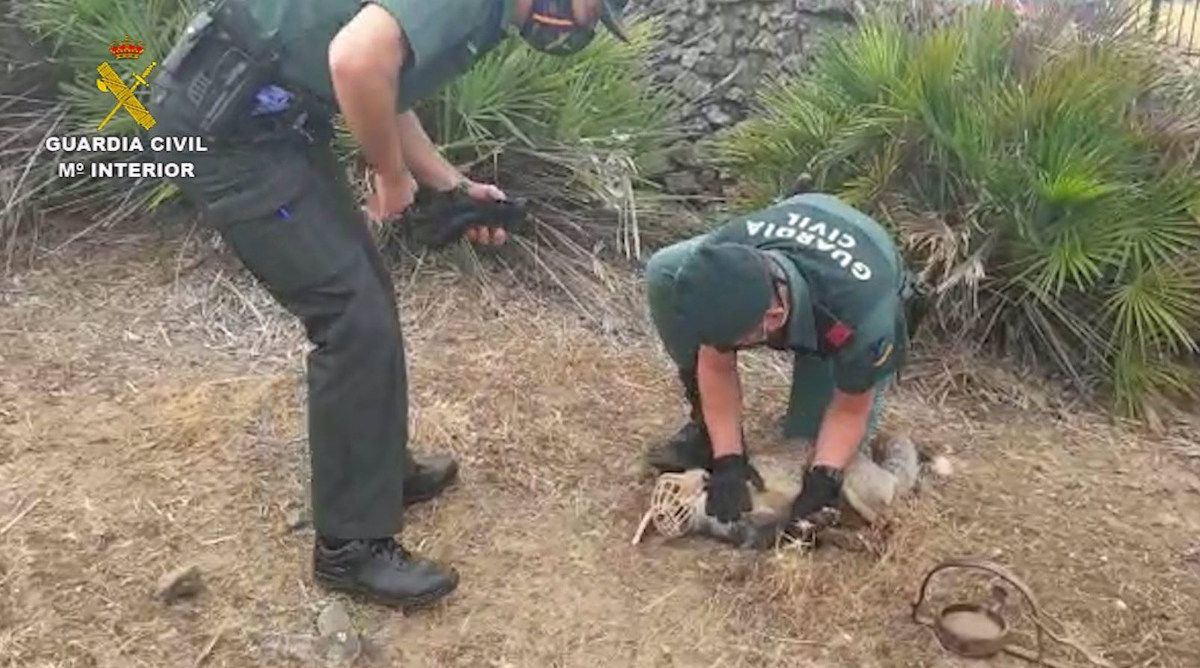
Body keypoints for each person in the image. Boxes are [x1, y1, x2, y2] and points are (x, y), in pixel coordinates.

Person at [145, 0, 630, 609]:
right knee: (350, 314)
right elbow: (355, 63)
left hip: (271, 122)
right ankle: (351, 548)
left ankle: (376, 475)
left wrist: (448, 186)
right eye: (590, 9)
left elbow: (383, 81)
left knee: (364, 292)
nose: (581, 25)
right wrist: (390, 174)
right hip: (227, 132)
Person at [642, 191, 925, 548]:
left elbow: (849, 408)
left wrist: (824, 477)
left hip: (856, 281)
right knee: (666, 269)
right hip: (800, 222)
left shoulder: (863, 317)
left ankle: (903, 461)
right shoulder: (721, 260)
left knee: (805, 450)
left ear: (773, 318)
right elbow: (715, 367)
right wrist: (728, 457)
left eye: (734, 340)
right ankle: (705, 428)